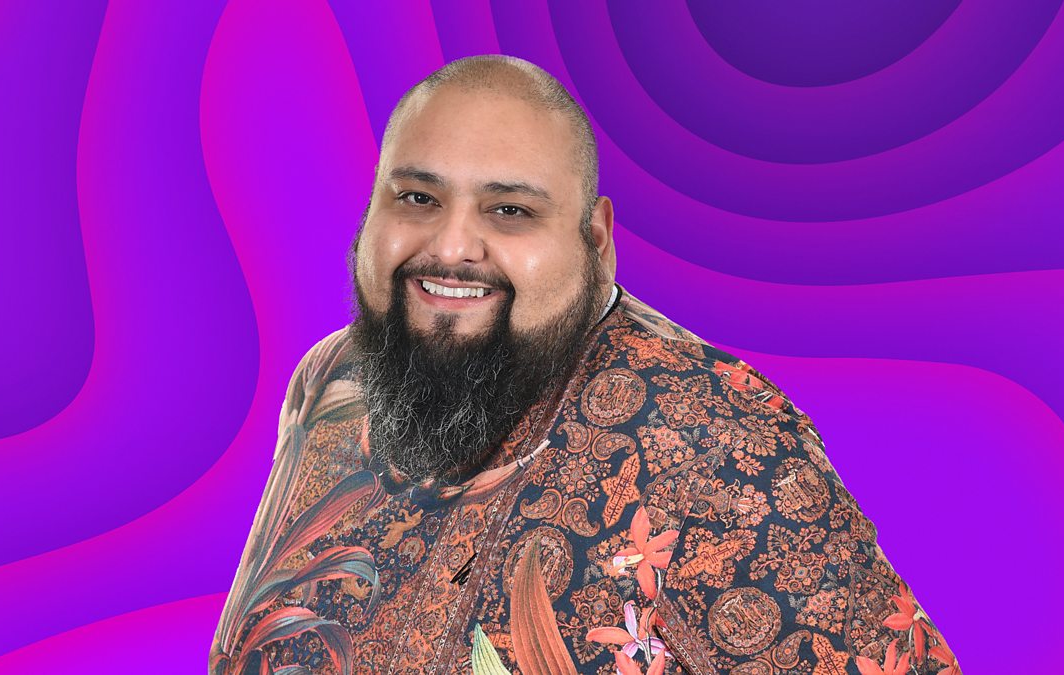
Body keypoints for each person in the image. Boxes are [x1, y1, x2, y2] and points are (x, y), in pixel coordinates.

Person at [210, 55, 959, 675]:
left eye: (510, 210)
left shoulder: (716, 438)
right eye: (417, 197)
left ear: (595, 239)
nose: (451, 246)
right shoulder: (333, 380)